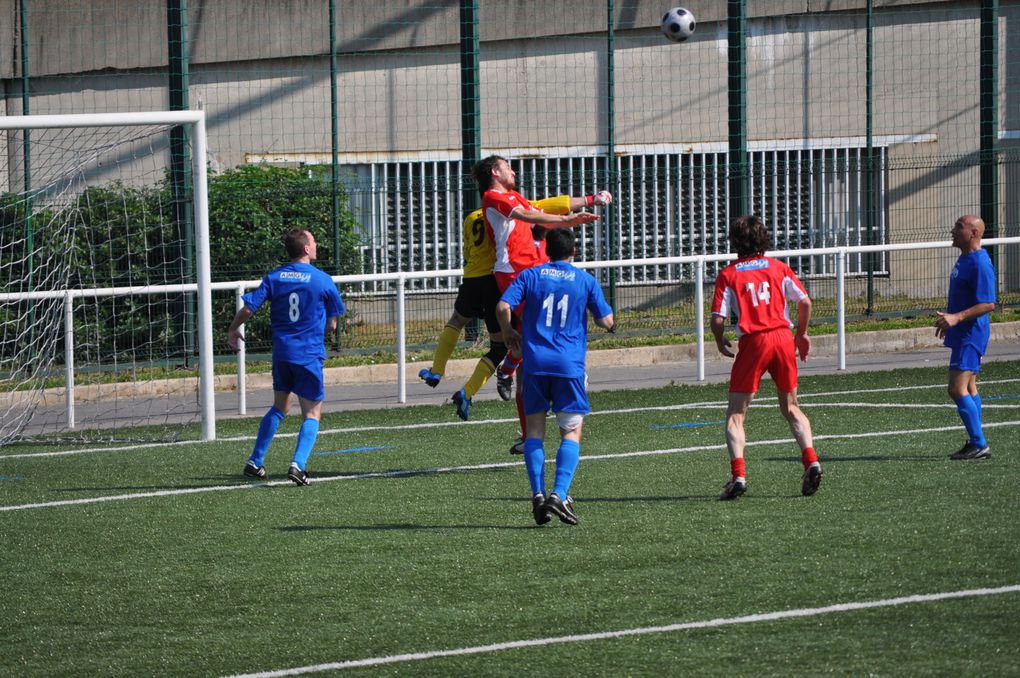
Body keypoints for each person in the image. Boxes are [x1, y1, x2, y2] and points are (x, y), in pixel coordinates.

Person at [418, 192, 611, 423]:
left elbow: (468, 251)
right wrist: (590, 200)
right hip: (494, 280)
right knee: (506, 343)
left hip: (471, 278)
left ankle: (438, 370)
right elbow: (552, 204)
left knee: (457, 321)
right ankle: (477, 387)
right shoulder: (513, 212)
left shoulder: (472, 217)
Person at [474, 154, 602, 452]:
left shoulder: (514, 194)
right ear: (496, 171)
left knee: (544, 330)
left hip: (533, 267)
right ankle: (508, 367)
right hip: (512, 271)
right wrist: (569, 218)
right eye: (508, 166)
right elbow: (528, 216)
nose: (513, 170)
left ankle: (526, 426)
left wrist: (570, 217)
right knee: (536, 329)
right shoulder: (493, 197)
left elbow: (538, 211)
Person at [496, 228, 615, 526]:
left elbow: (502, 306)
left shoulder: (531, 276)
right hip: (568, 366)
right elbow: (605, 320)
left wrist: (509, 332)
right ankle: (559, 494)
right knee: (571, 432)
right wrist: (611, 324)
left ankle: (538, 494)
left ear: (547, 249)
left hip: (535, 365)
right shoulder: (585, 280)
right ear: (573, 251)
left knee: (534, 432)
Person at [710, 215, 822, 500]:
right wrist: (802, 334)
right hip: (783, 338)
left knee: (736, 413)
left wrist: (719, 338)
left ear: (735, 242)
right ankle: (811, 460)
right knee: (791, 407)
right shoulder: (779, 268)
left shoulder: (730, 274)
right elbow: (805, 301)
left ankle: (738, 476)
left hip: (754, 341)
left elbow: (717, 317)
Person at [227, 228, 345, 486]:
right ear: (306, 248)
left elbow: (248, 308)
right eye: (313, 241)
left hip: (282, 354)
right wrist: (317, 330)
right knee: (312, 412)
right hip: (308, 355)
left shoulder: (275, 277)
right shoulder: (322, 280)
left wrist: (233, 328)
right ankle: (298, 466)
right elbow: (333, 326)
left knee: (280, 406)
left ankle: (255, 461)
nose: (316, 245)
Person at [934, 214, 997, 460]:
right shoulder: (965, 259)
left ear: (973, 233)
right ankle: (975, 440)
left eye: (959, 227)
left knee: (956, 388)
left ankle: (979, 443)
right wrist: (951, 319)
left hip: (971, 333)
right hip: (964, 332)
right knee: (969, 386)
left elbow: (989, 303)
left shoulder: (980, 263)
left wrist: (957, 318)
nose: (953, 230)